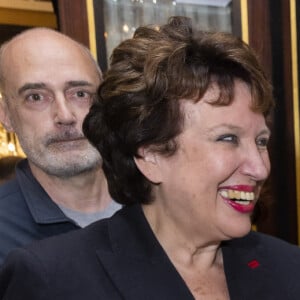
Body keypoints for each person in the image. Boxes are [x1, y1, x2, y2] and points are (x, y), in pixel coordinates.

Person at [1, 16, 300, 300]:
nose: (260, 168)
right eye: (227, 139)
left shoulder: (289, 268)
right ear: (151, 154)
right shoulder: (54, 280)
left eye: (261, 141)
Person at [0, 28, 120, 265]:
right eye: (36, 97)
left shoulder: (160, 198)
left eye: (80, 93)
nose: (65, 116)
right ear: (6, 115)